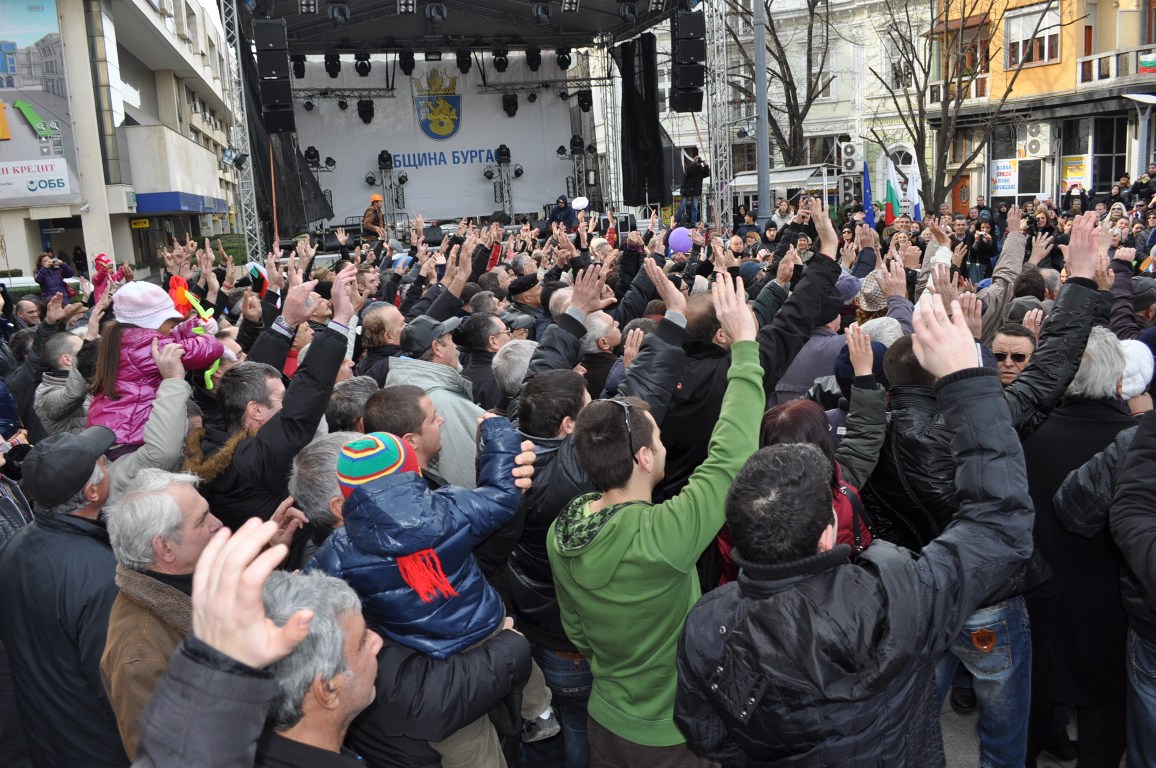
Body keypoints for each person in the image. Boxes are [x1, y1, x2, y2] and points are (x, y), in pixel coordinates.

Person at [674, 291, 1035, 765]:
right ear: (828, 532)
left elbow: (709, 735)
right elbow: (1000, 525)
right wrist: (967, 379)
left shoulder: (706, 621)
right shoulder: (895, 591)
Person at [546, 274, 761, 765]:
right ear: (644, 459)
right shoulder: (664, 536)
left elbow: (576, 631)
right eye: (657, 441)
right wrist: (745, 347)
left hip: (606, 718)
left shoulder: (567, 528)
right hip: (670, 730)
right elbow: (729, 457)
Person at [308, 428, 557, 766]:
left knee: (461, 732)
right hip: (485, 622)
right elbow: (501, 495)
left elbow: (311, 594)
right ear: (416, 474)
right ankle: (541, 713)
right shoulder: (451, 506)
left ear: (344, 502)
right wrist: (501, 438)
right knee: (521, 657)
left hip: (430, 653)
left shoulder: (339, 550)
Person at [185, 267, 357, 529]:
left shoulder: (221, 433)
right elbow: (305, 398)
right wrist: (340, 321)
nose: (288, 404)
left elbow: (251, 376)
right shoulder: (252, 461)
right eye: (282, 398)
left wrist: (286, 322)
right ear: (255, 411)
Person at [0, 426, 129, 767]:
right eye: (103, 461)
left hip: (46, 735)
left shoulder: (18, 544)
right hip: (95, 746)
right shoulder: (101, 574)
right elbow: (113, 685)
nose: (108, 465)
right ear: (92, 490)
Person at [100, 470, 228, 759]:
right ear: (165, 548)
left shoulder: (191, 578)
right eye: (202, 520)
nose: (217, 523)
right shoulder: (142, 657)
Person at [87, 282, 223, 453]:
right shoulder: (150, 346)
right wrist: (209, 336)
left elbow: (171, 337)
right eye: (169, 321)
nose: (172, 325)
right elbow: (205, 350)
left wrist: (195, 325)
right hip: (130, 436)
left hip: (111, 429)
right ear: (153, 322)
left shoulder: (122, 336)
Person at [386, 315, 484, 488]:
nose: (456, 347)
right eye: (450, 339)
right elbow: (462, 474)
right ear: (437, 348)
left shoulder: (404, 386)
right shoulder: (440, 402)